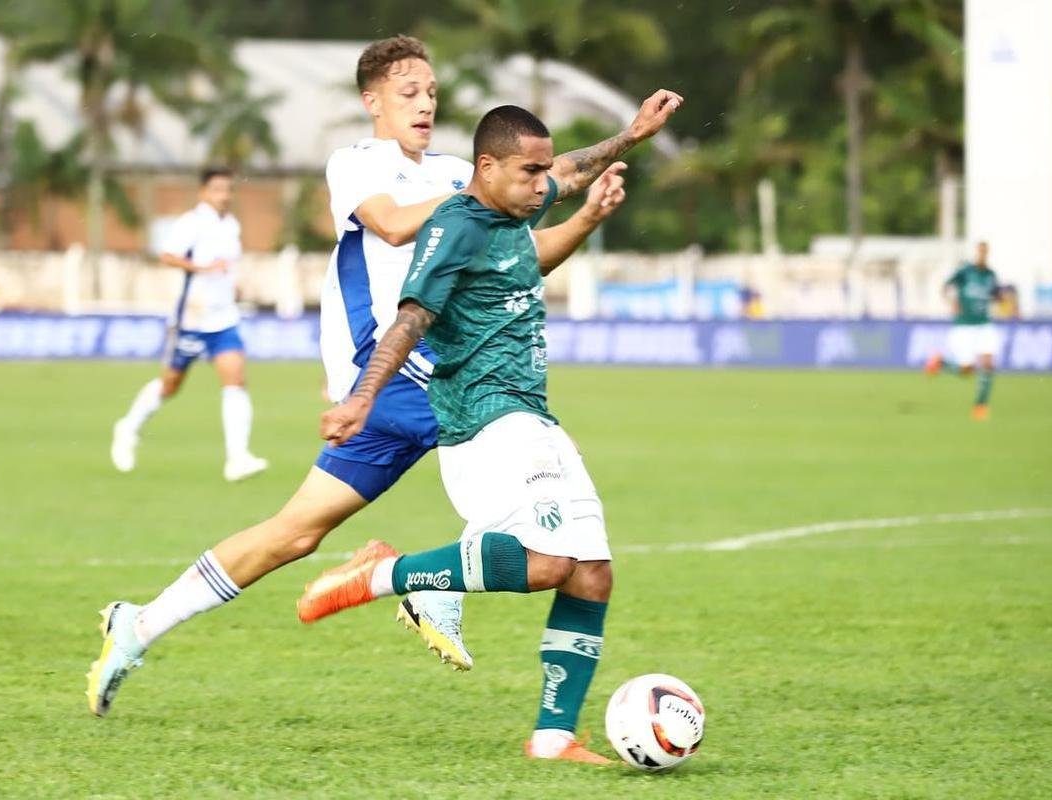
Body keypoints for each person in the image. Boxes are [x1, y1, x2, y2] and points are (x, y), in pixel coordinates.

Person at [85, 35, 679, 717]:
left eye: (431, 92)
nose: (424, 104)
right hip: (398, 370)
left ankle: (139, 624)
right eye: (408, 92)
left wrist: (628, 137)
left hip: (435, 375)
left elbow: (550, 176)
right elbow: (393, 227)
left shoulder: (463, 173)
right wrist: (474, 196)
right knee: (540, 488)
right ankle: (428, 588)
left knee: (296, 533)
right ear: (373, 103)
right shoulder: (359, 164)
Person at [295, 105, 644, 765]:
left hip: (533, 415)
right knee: (546, 565)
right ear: (486, 168)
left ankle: (552, 738)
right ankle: (385, 575)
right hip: (483, 418)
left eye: (545, 171)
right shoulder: (455, 224)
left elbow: (569, 173)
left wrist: (630, 140)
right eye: (529, 172)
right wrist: (361, 399)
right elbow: (411, 318)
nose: (544, 184)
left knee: (592, 574)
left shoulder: (514, 212)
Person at [109, 167, 268, 481]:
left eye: (228, 189)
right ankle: (128, 427)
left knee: (235, 379)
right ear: (204, 193)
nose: (225, 195)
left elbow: (228, 266)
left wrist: (233, 284)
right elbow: (168, 256)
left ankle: (237, 458)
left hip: (223, 319)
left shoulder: (231, 225)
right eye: (218, 189)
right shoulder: (192, 223)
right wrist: (202, 268)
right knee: (170, 385)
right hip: (192, 319)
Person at [925, 240, 1001, 420]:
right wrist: (952, 302)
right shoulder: (965, 272)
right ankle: (941, 363)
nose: (982, 255)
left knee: (988, 363)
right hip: (964, 326)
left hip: (984, 325)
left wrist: (1003, 300)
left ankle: (980, 406)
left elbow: (996, 296)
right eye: (980, 251)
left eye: (985, 252)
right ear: (975, 253)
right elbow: (945, 286)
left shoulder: (991, 275)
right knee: (966, 370)